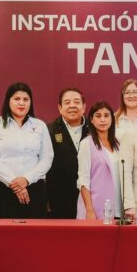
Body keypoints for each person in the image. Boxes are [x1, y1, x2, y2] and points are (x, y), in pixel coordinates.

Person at [0, 82, 53, 218]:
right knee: (3, 236)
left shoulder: (40, 126)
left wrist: (26, 180)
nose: (21, 103)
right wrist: (15, 184)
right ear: (8, 101)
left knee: (33, 235)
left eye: (26, 99)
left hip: (33, 189)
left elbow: (47, 158)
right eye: (17, 99)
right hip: (2, 189)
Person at [46, 88, 88, 218]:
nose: (72, 106)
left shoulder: (94, 129)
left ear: (84, 107)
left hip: (89, 199)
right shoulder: (49, 130)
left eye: (76, 102)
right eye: (67, 102)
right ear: (60, 107)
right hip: (59, 199)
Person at [77, 102, 121, 221]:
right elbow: (83, 181)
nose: (103, 120)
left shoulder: (118, 144)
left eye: (106, 116)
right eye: (98, 116)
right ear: (91, 119)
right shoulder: (86, 144)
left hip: (118, 207)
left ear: (112, 119)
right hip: (96, 207)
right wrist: (89, 210)